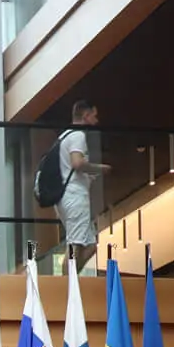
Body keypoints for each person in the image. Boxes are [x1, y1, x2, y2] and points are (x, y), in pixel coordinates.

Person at [57, 101, 109, 273]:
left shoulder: (64, 136)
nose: (96, 119)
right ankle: (66, 288)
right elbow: (77, 163)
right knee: (75, 244)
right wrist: (99, 168)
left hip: (68, 196)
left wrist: (88, 175)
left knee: (91, 245)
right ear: (85, 115)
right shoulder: (77, 136)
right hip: (74, 197)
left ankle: (72, 280)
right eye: (94, 115)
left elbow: (70, 168)